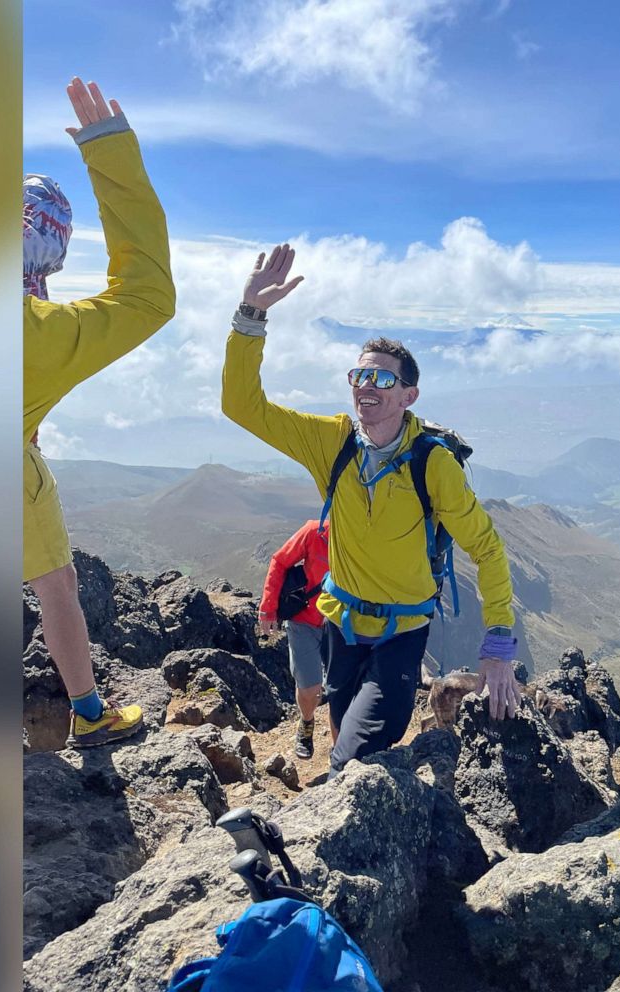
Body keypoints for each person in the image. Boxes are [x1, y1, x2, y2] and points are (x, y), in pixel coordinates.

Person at [222, 245, 522, 778]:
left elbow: (487, 547)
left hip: (402, 636)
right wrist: (250, 315)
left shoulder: (432, 463)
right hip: (341, 626)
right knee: (348, 745)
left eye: (383, 379)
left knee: (349, 760)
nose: (368, 386)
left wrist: (498, 645)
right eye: (359, 376)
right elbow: (242, 407)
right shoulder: (333, 442)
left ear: (409, 395)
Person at [24, 77, 176, 748]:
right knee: (57, 586)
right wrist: (108, 150)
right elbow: (147, 294)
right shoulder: (42, 332)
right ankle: (89, 714)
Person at [257, 519, 336, 759]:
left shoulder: (362, 539)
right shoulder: (315, 531)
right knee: (310, 687)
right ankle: (307, 722)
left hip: (342, 625)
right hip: (305, 621)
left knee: (340, 689)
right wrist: (268, 609)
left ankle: (340, 752)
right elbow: (280, 561)